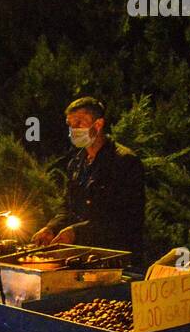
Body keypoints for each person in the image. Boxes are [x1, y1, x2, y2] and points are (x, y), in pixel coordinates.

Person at [32, 96, 145, 261]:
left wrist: (76, 232)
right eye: (70, 125)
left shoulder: (124, 162)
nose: (73, 130)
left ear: (98, 125)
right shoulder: (76, 163)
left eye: (79, 123)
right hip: (80, 256)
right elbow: (67, 207)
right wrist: (51, 228)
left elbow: (123, 219)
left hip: (115, 258)